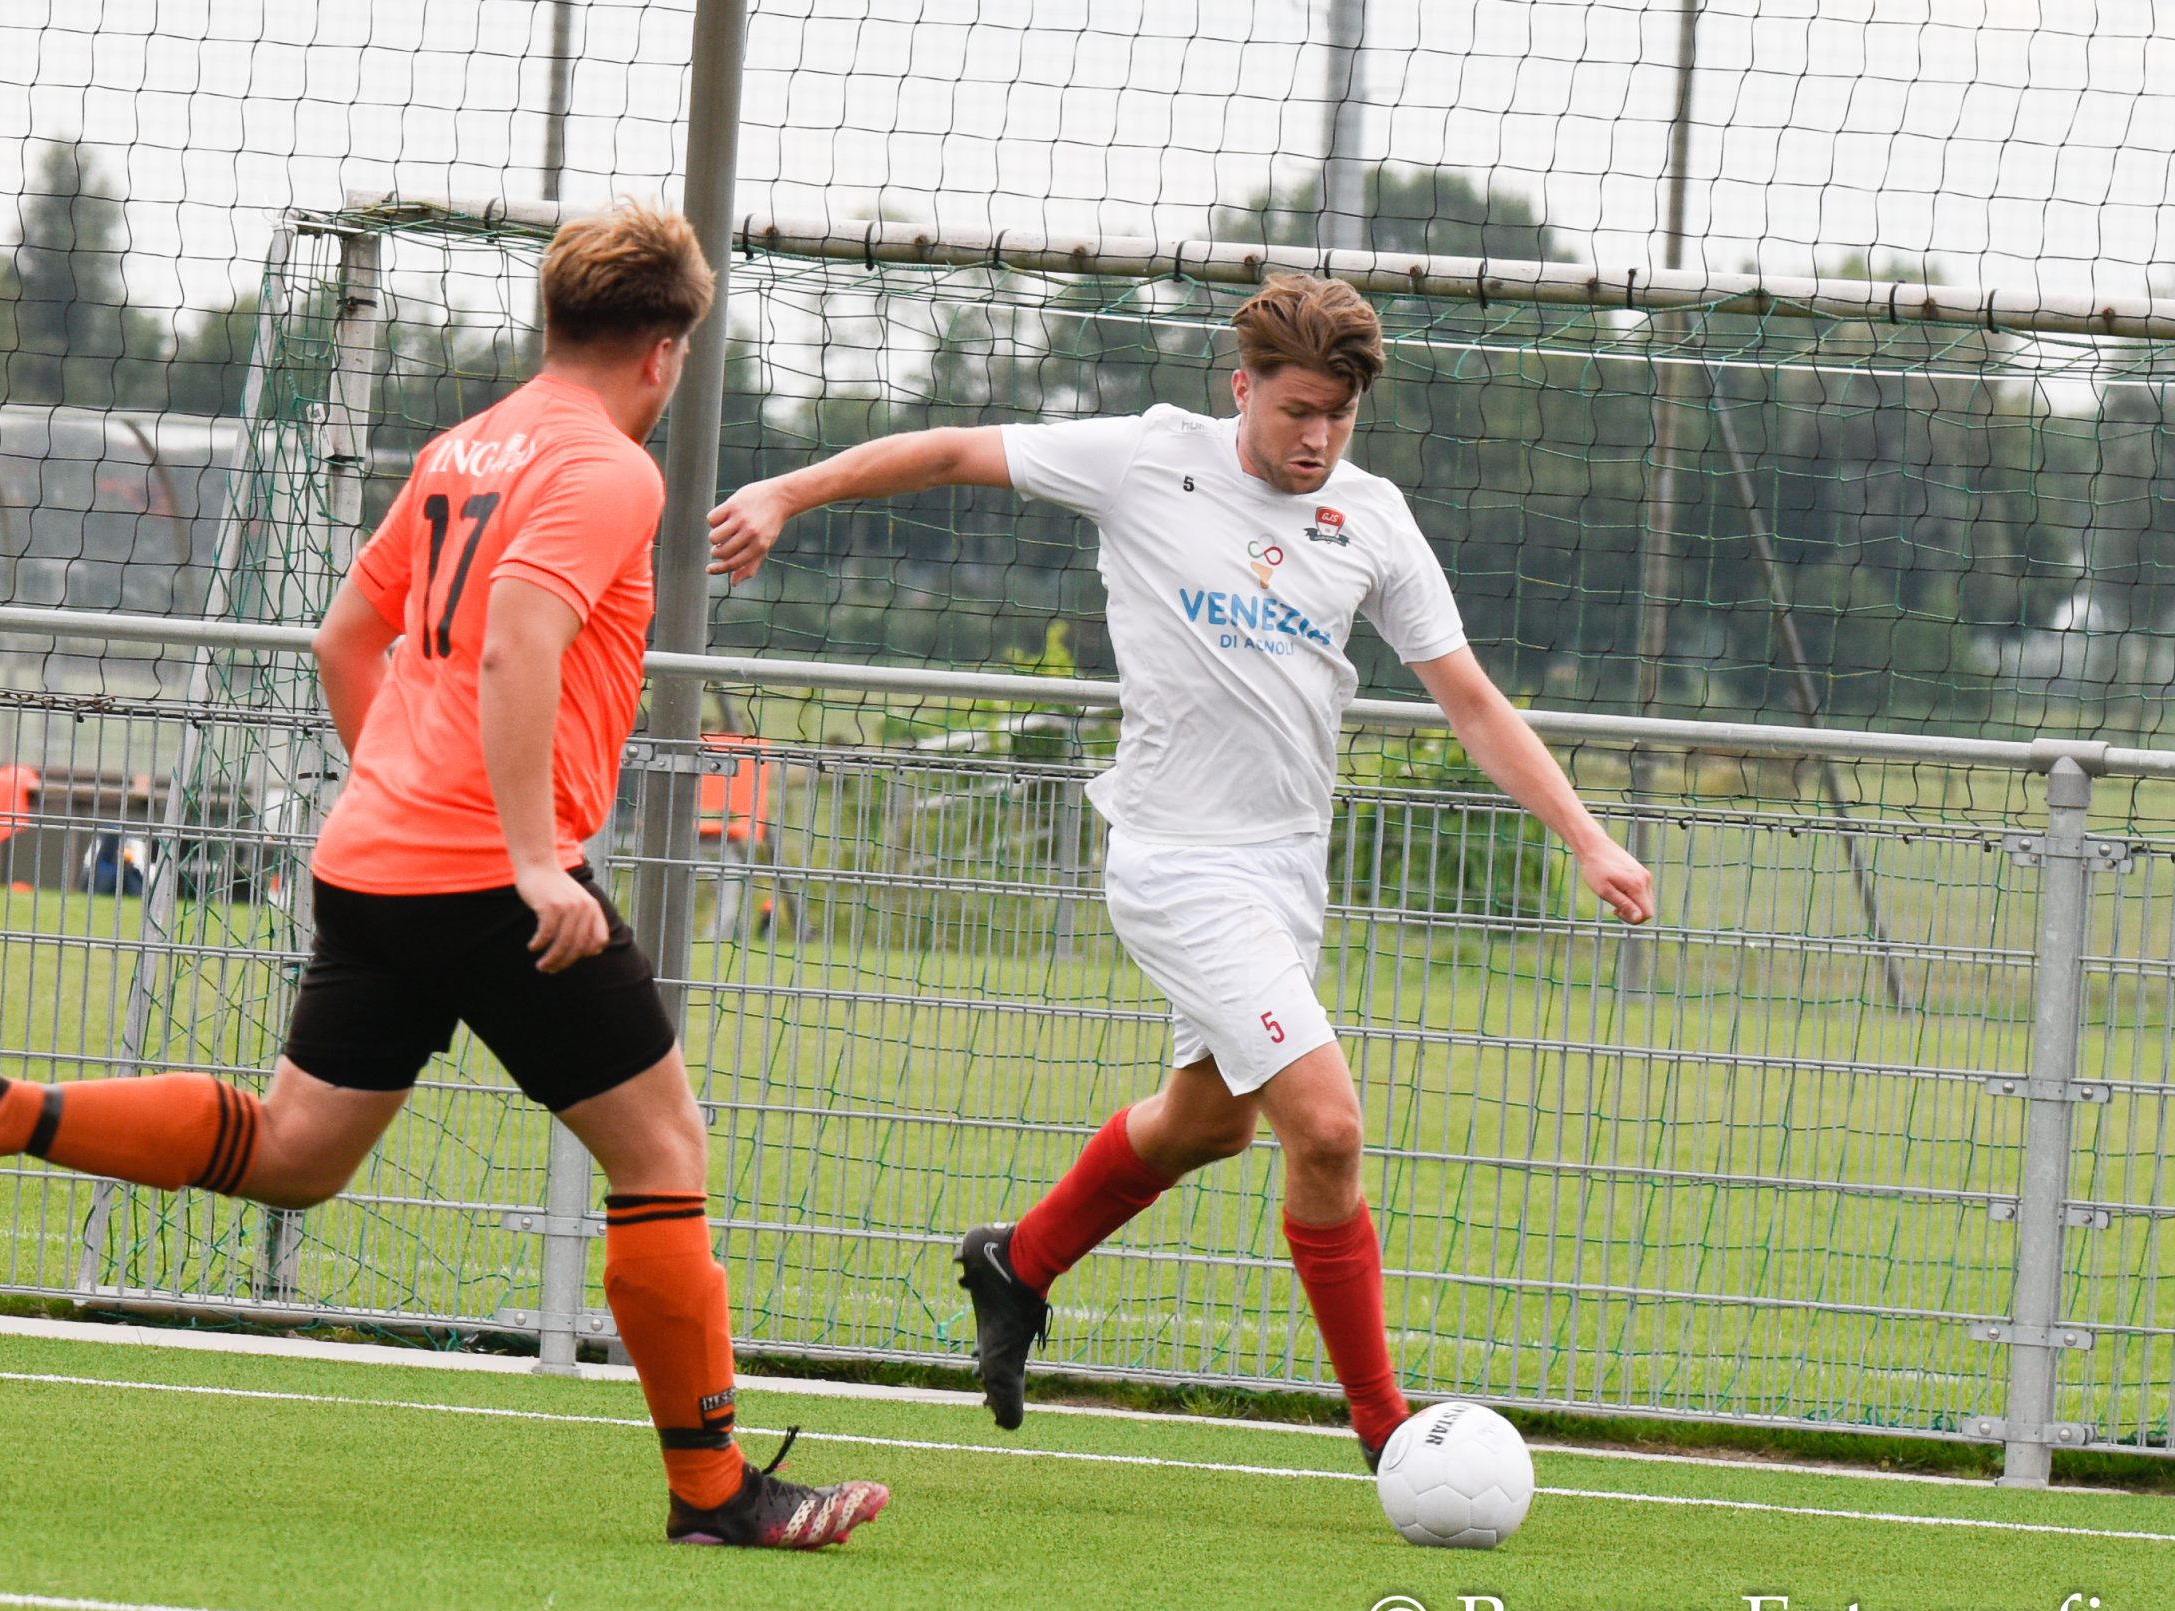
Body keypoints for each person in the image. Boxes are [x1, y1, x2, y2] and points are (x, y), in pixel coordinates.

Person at [0, 202, 889, 1551]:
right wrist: (531, 858)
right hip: (494, 881)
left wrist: (402, 791)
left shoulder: (464, 447)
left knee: (295, 1154)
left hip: (376, 862)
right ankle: (715, 1490)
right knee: (662, 1152)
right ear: (664, 351)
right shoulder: (608, 467)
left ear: (553, 324)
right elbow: (518, 642)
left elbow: (346, 637)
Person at [706, 274, 1655, 1465]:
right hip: (1174, 863)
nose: (1317, 438)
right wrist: (784, 490)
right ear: (1240, 386)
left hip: (1283, 872)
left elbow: (1468, 698)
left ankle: (1018, 1261)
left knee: (1208, 1122)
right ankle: (1387, 1431)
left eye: (1339, 416)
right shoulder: (1146, 459)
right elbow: (949, 449)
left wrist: (1587, 835)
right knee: (1326, 1128)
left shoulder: (1372, 517)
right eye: (1296, 409)